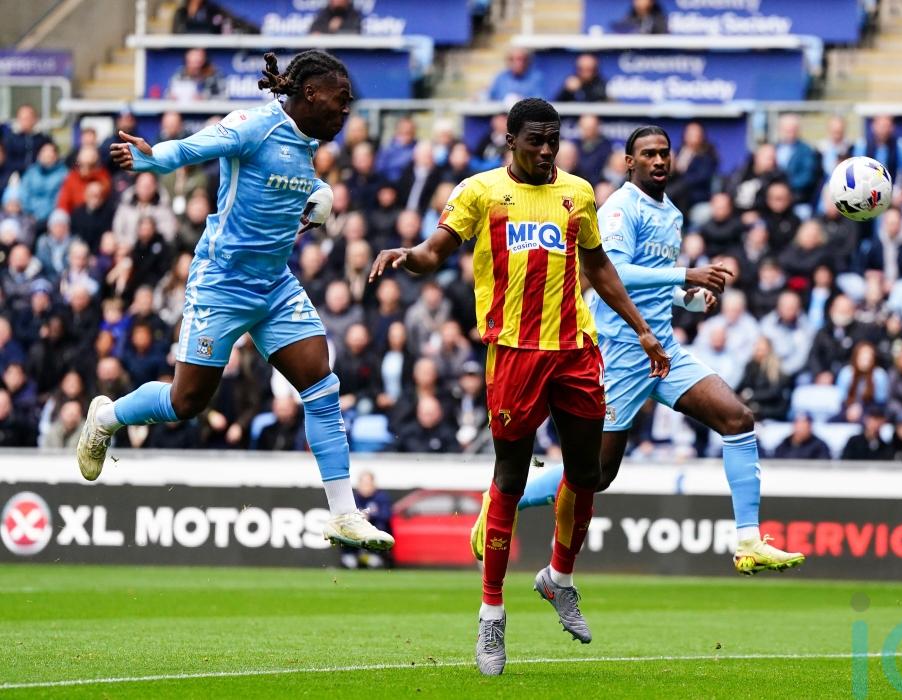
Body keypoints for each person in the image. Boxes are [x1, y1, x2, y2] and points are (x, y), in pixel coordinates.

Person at [369, 99, 669, 676]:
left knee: (587, 473)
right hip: (513, 354)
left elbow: (599, 267)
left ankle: (559, 578)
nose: (547, 150)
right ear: (511, 140)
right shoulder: (480, 192)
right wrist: (408, 256)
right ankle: (491, 614)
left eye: (553, 140)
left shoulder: (578, 193)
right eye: (536, 140)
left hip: (575, 349)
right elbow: (436, 250)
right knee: (509, 477)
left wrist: (642, 329)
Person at [77, 51, 394, 553]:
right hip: (221, 284)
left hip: (275, 286)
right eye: (341, 99)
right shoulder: (254, 125)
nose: (346, 109)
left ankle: (343, 514)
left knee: (322, 385)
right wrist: (154, 157)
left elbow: (281, 187)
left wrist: (318, 192)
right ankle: (106, 418)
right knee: (186, 402)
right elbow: (197, 146)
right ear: (311, 93)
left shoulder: (307, 144)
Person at [486, 125, 801, 569]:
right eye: (649, 154)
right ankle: (506, 497)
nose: (658, 160)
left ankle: (748, 541)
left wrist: (686, 298)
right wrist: (685, 274)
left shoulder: (671, 213)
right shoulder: (620, 208)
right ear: (629, 162)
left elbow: (651, 280)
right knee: (596, 474)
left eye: (664, 153)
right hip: (620, 350)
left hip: (663, 349)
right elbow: (612, 273)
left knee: (737, 419)